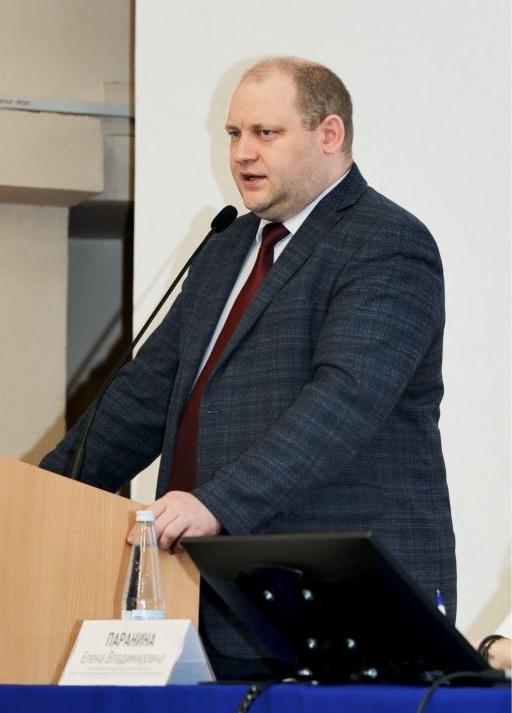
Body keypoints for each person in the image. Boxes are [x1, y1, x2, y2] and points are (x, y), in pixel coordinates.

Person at [40, 56, 456, 680]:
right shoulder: (229, 247)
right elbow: (144, 397)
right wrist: (43, 495)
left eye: (266, 133)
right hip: (208, 598)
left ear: (329, 134)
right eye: (234, 133)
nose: (242, 153)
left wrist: (216, 505)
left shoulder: (385, 242)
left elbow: (343, 403)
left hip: (342, 608)